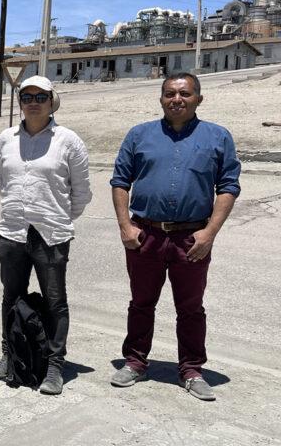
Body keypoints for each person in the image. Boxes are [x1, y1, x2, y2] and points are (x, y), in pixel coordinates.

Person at [109, 72, 241, 401]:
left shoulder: (218, 137)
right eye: (169, 93)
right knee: (141, 303)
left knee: (191, 307)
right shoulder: (139, 135)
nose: (176, 99)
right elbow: (120, 180)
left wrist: (209, 233)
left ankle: (192, 369)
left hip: (191, 238)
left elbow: (228, 187)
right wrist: (126, 226)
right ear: (161, 98)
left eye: (184, 93)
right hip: (146, 235)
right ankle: (136, 361)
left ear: (198, 98)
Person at [0, 75, 92, 395]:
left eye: (39, 97)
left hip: (51, 234)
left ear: (51, 101)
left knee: (56, 301)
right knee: (10, 298)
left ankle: (55, 365)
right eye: (26, 97)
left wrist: (55, 217)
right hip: (12, 232)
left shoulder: (68, 140)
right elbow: (2, 181)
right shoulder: (6, 139)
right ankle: (10, 356)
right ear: (20, 103)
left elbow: (82, 193)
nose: (32, 102)